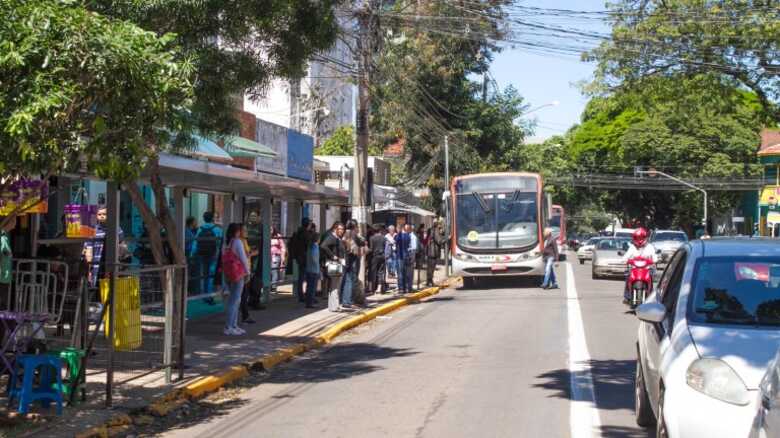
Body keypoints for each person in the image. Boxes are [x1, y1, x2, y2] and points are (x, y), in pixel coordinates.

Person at [222, 223, 250, 336]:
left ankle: (233, 325)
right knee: (235, 300)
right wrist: (248, 271)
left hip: (228, 273)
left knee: (233, 300)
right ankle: (229, 326)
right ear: (236, 231)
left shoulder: (226, 243)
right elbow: (243, 258)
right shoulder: (237, 242)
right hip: (238, 273)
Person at [622, 227, 658, 302]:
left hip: (647, 269)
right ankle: (627, 296)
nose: (639, 239)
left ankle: (650, 296)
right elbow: (626, 257)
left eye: (641, 237)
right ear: (634, 238)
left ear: (645, 237)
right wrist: (624, 260)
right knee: (628, 276)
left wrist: (655, 260)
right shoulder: (632, 247)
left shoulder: (650, 247)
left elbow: (654, 257)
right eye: (637, 237)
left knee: (651, 277)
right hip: (634, 269)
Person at [194, 211, 223, 296]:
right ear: (212, 218)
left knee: (204, 274)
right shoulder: (217, 229)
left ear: (204, 219)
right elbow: (221, 242)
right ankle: (209, 294)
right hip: (214, 254)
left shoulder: (200, 229)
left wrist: (193, 253)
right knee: (211, 274)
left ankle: (204, 293)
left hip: (202, 254)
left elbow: (195, 242)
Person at [321, 222, 345, 312]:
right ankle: (334, 306)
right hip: (334, 264)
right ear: (335, 229)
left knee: (335, 285)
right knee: (335, 286)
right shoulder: (332, 238)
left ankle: (333, 306)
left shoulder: (337, 238)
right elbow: (323, 246)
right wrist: (332, 256)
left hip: (337, 263)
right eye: (340, 229)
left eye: (342, 229)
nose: (342, 231)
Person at [239, 224, 259, 324]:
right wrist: (253, 253)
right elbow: (245, 255)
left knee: (244, 294)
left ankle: (244, 314)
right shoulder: (240, 242)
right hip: (243, 271)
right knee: (243, 294)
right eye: (244, 230)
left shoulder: (244, 241)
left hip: (245, 270)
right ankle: (244, 315)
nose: (246, 232)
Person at [288, 218, 311, 303]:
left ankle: (300, 294)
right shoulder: (305, 234)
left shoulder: (297, 233)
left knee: (301, 277)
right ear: (307, 224)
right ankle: (303, 295)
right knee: (305, 277)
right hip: (304, 258)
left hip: (299, 258)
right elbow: (308, 246)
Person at [340, 229, 360, 310]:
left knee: (345, 282)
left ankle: (345, 300)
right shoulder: (350, 244)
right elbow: (355, 254)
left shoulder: (343, 242)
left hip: (345, 265)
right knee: (349, 283)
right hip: (349, 267)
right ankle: (347, 301)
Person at [304, 222, 321, 308]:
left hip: (309, 269)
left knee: (309, 287)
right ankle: (310, 303)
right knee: (312, 288)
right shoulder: (315, 246)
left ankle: (308, 302)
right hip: (314, 270)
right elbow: (315, 259)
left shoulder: (310, 246)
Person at [368, 225, 387, 294]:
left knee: (373, 272)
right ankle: (379, 288)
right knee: (380, 272)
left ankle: (372, 288)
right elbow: (386, 248)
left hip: (374, 256)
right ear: (380, 230)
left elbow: (371, 249)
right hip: (382, 256)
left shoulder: (371, 238)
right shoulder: (384, 238)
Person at [395, 223, 414, 294]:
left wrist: (398, 233)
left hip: (400, 256)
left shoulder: (398, 236)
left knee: (400, 273)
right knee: (405, 273)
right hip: (406, 256)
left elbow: (396, 241)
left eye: (397, 229)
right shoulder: (407, 236)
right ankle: (405, 287)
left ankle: (401, 288)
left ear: (399, 229)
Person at [185, 217, 200, 295]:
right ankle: (186, 290)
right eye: (195, 222)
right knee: (188, 272)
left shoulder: (189, 231)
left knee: (189, 272)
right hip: (187, 253)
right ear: (191, 223)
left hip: (189, 253)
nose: (196, 223)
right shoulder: (187, 231)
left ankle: (187, 290)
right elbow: (188, 242)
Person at [270, 227, 285, 291]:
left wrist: (283, 258)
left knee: (274, 271)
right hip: (268, 256)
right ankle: (269, 285)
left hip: (276, 256)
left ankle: (273, 286)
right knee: (269, 271)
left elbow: (283, 247)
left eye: (271, 229)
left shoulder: (278, 236)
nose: (270, 230)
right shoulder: (266, 235)